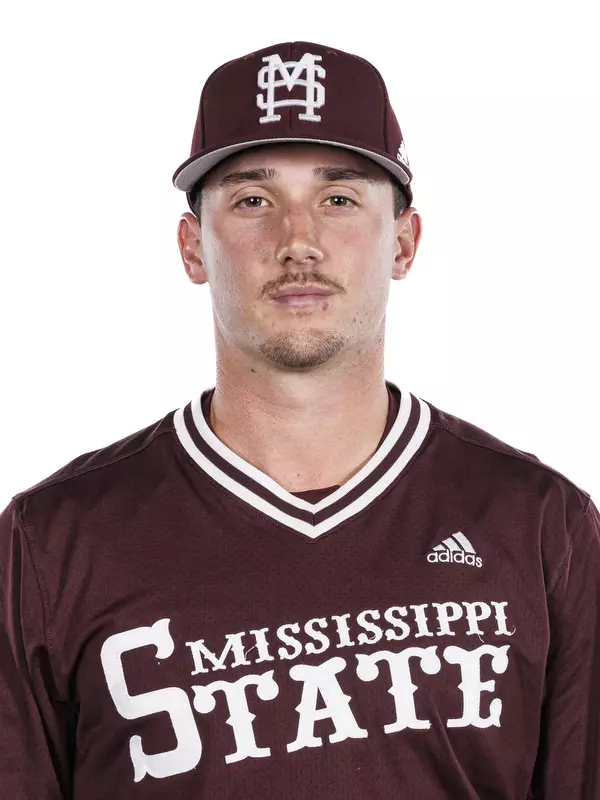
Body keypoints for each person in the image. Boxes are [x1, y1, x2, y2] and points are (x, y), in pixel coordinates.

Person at [0, 40, 598, 800]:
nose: (299, 242)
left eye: (339, 198)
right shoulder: (51, 545)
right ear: (193, 247)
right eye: (253, 200)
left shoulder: (542, 527)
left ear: (405, 243)